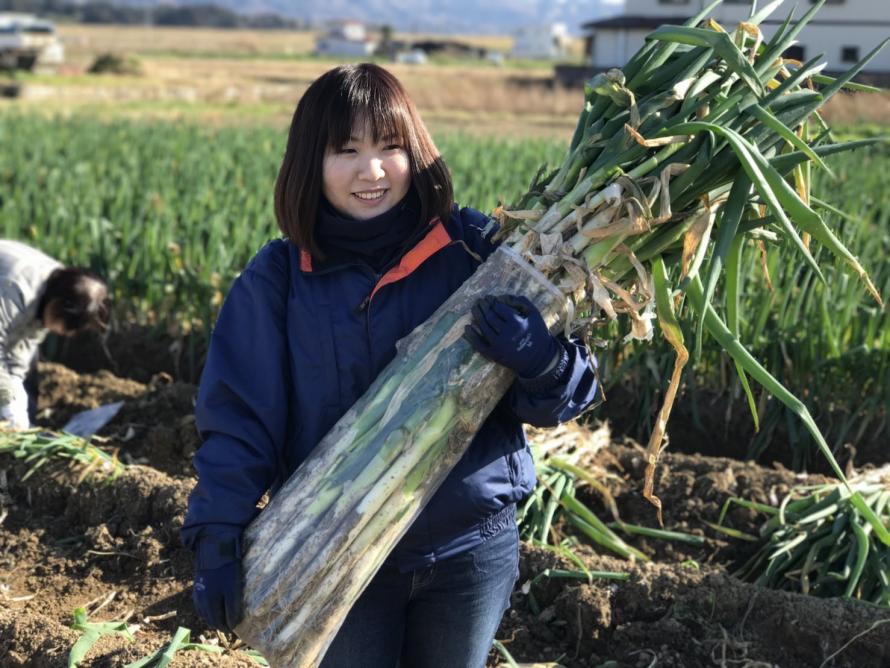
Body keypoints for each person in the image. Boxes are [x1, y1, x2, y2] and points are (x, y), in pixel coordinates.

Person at [181, 63, 599, 668]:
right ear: (309, 163)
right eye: (345, 150)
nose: (370, 170)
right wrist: (217, 536)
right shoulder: (277, 280)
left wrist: (542, 358)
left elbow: (567, 393)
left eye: (389, 146)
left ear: (416, 151)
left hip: (469, 550)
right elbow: (241, 420)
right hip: (335, 553)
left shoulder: (479, 250)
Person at [0, 240, 109, 430]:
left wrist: (15, 390)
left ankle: (23, 431)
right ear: (59, 304)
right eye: (65, 325)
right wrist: (7, 396)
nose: (62, 333)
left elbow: (18, 354)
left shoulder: (57, 287)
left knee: (25, 380)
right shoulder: (16, 289)